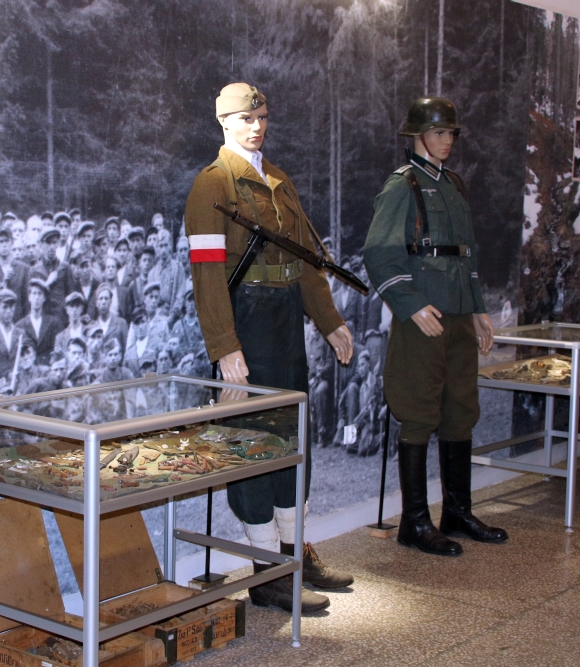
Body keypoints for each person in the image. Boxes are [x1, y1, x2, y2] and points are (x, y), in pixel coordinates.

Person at [184, 82, 355, 613]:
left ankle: (291, 555)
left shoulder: (278, 180)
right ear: (223, 122)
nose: (256, 126)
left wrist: (328, 320)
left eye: (261, 117)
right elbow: (207, 274)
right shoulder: (213, 183)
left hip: (284, 321)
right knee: (254, 441)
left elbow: (305, 259)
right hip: (247, 320)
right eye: (245, 118)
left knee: (291, 436)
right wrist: (225, 346)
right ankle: (266, 574)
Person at [362, 97, 507, 557]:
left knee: (460, 408)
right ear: (417, 135)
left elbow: (467, 252)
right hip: (423, 316)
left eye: (451, 133)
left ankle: (458, 512)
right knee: (419, 411)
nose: (447, 141)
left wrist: (478, 307)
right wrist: (411, 304)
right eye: (439, 132)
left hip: (459, 314)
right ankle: (415, 521)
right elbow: (379, 254)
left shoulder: (453, 184)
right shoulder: (402, 185)